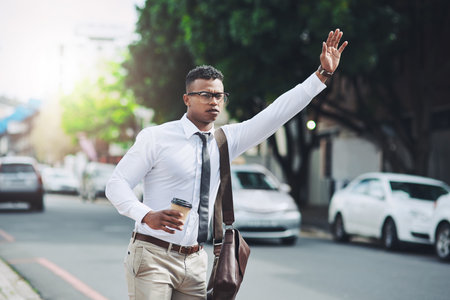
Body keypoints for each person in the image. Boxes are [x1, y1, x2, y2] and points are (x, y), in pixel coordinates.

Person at [106, 28, 348, 299]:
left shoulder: (226, 139)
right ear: (187, 99)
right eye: (206, 95)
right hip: (153, 254)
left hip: (196, 261)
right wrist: (145, 214)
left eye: (219, 96)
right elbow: (116, 184)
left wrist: (321, 75)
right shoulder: (157, 137)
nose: (214, 102)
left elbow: (276, 113)